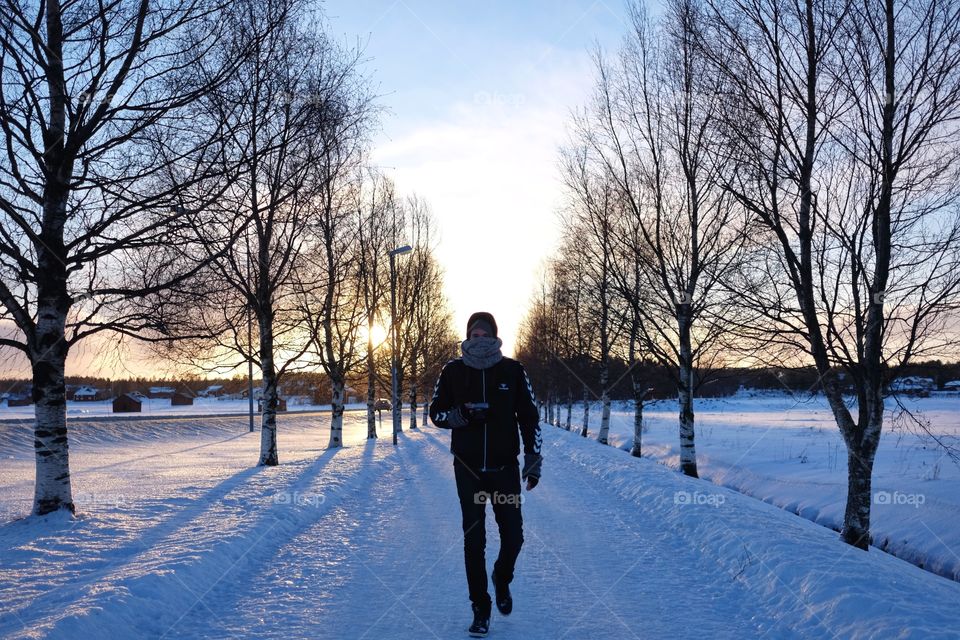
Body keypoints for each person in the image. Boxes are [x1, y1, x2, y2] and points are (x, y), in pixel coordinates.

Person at [429, 311, 543, 638]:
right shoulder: (452, 371)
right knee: (474, 540)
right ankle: (480, 608)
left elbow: (530, 419)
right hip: (468, 471)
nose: (478, 340)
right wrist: (460, 415)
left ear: (494, 336)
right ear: (467, 337)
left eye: (484, 334)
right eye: (473, 335)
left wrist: (533, 463)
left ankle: (502, 577)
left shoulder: (513, 370)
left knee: (513, 536)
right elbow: (436, 413)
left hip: (505, 469)